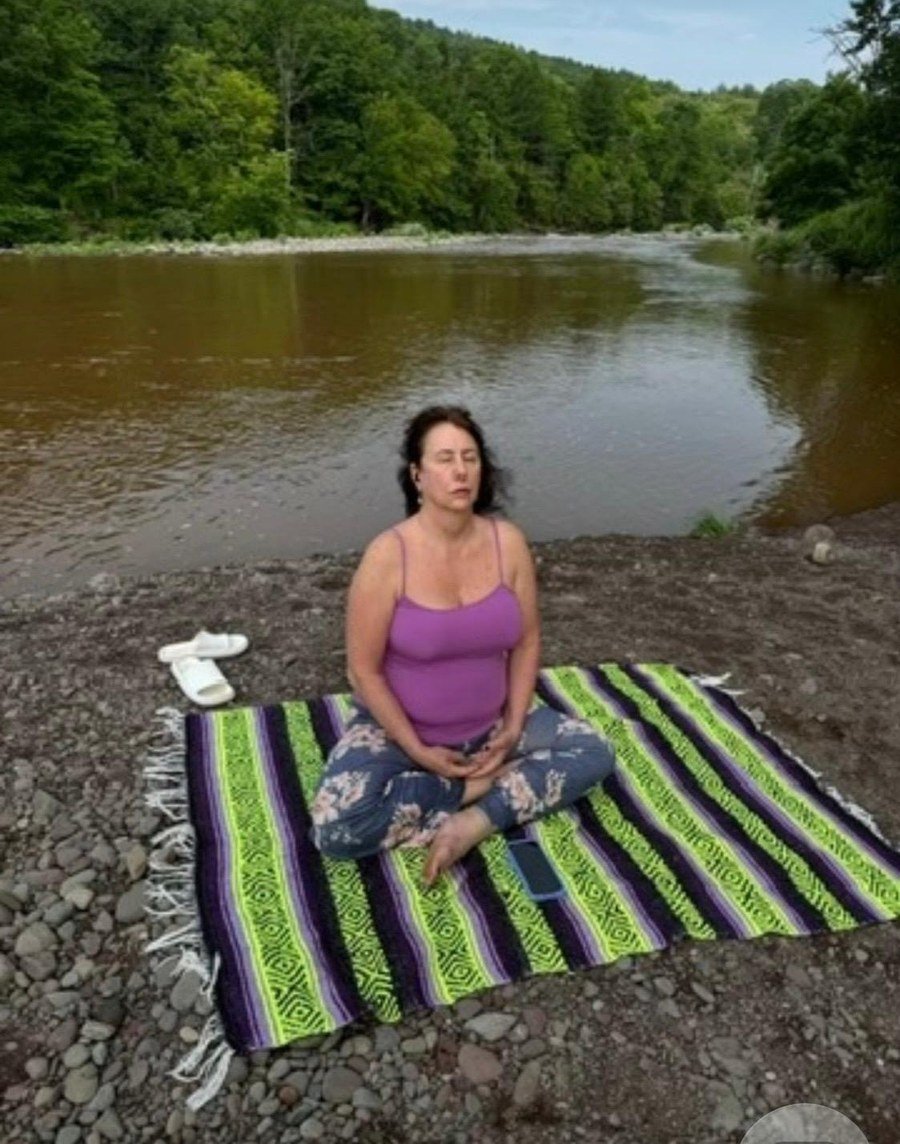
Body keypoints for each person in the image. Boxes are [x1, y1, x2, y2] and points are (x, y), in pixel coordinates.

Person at [310, 405, 615, 886]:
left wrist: (513, 727)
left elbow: (528, 640)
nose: (460, 471)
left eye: (470, 459)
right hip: (401, 733)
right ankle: (472, 787)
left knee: (595, 753)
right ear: (417, 474)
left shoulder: (508, 544)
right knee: (339, 829)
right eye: (445, 459)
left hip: (491, 727)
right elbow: (362, 672)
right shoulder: (388, 556)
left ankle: (476, 819)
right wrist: (417, 748)